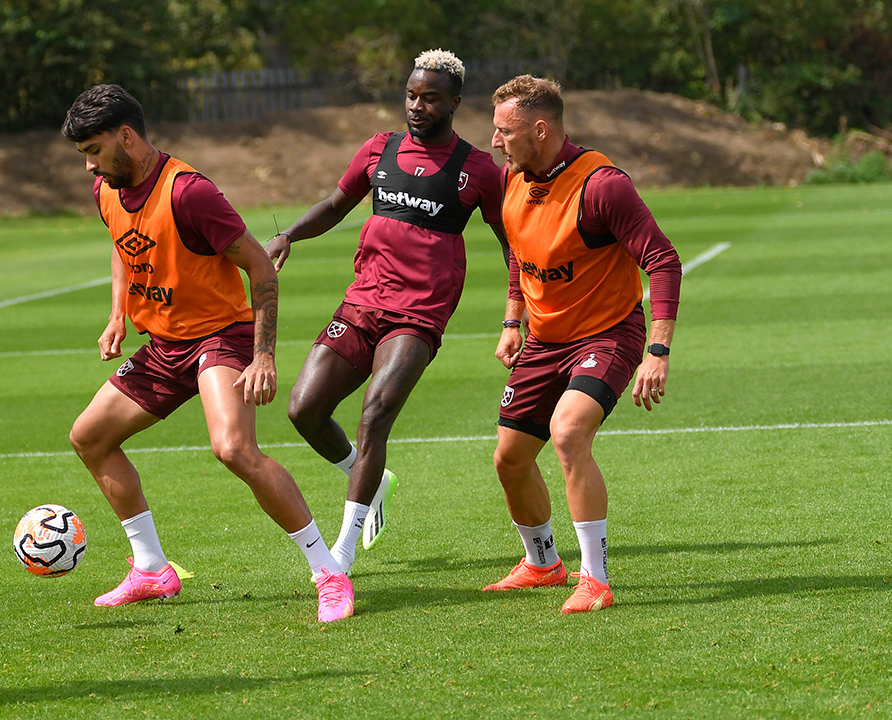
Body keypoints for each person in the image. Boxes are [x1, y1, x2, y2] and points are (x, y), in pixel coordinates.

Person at [61, 84, 354, 623]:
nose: (89, 167)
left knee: (234, 449)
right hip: (165, 343)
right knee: (89, 437)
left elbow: (261, 268)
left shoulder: (189, 191)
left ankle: (330, 573)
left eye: (94, 151)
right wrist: (117, 315)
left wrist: (264, 357)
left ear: (126, 136)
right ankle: (151, 570)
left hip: (223, 335)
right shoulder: (109, 190)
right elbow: (124, 247)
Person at [265, 49, 506, 574]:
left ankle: (342, 555)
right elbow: (334, 205)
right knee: (303, 410)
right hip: (362, 301)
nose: (417, 106)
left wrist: (519, 309)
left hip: (419, 313)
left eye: (430, 98)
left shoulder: (479, 169)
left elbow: (513, 239)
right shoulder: (380, 149)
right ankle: (372, 479)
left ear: (455, 103)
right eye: (411, 95)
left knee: (375, 415)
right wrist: (289, 235)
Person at [483, 74, 682, 613]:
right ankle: (543, 563)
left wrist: (657, 352)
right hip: (545, 341)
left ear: (540, 129)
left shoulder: (602, 185)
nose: (495, 141)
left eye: (506, 131)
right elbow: (520, 255)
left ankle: (595, 578)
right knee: (509, 459)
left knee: (567, 432)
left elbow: (663, 260)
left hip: (608, 334)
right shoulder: (512, 179)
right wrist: (511, 318)